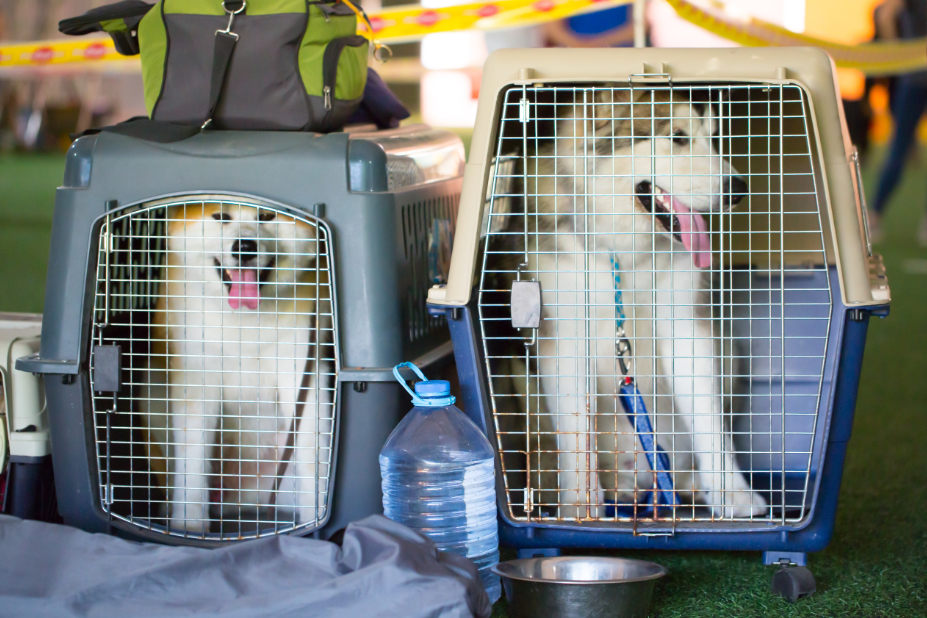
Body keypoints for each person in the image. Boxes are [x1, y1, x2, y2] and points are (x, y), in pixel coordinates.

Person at [869, 0, 927, 246]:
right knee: (899, 151)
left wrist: (896, 58)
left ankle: (874, 217)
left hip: (911, 78)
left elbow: (884, 15)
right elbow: (884, 14)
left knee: (898, 151)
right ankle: (873, 217)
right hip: (913, 79)